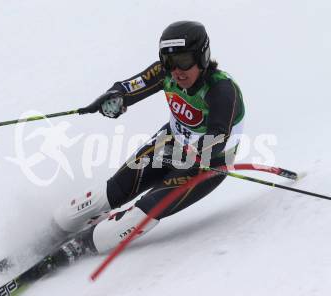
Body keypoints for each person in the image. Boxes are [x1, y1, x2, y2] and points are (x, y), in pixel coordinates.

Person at [46, 21, 246, 267]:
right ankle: (51, 231)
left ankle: (79, 248)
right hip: (171, 143)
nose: (176, 71)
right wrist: (114, 98)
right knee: (107, 194)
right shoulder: (167, 73)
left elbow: (219, 134)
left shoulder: (221, 90)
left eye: (183, 61)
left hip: (207, 164)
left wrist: (199, 151)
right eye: (169, 62)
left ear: (202, 56)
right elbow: (130, 87)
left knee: (139, 216)